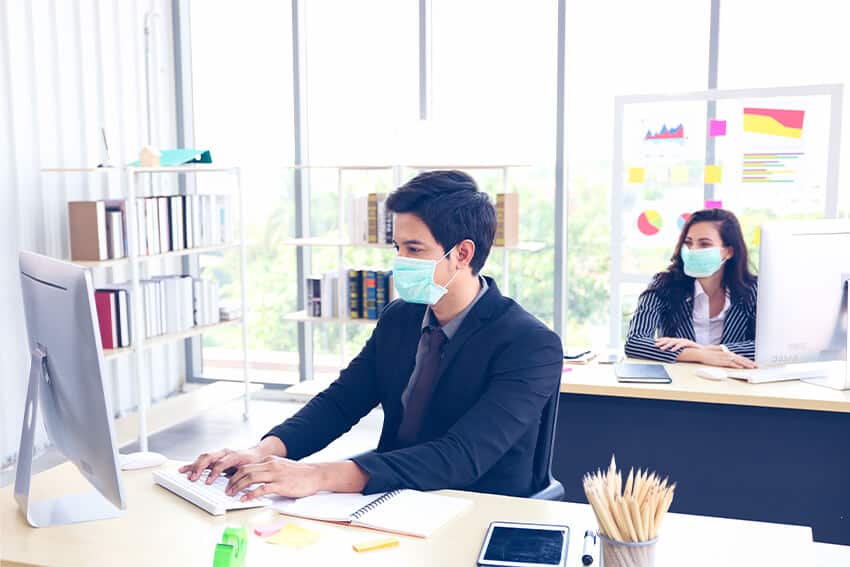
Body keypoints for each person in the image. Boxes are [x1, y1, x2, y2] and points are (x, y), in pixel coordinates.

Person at [181, 170, 563, 501]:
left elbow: (460, 456)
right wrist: (261, 451)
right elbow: (341, 403)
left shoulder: (530, 345)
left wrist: (318, 476)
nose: (400, 261)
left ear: (462, 254)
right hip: (394, 497)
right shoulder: (401, 318)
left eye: (414, 248)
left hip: (477, 506)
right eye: (398, 247)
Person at [624, 208, 758, 368]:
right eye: (688, 243)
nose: (693, 250)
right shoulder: (664, 284)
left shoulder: (753, 290)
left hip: (734, 387)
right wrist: (699, 355)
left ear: (728, 252)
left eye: (704, 244)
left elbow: (768, 347)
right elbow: (635, 342)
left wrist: (713, 350)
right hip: (678, 386)